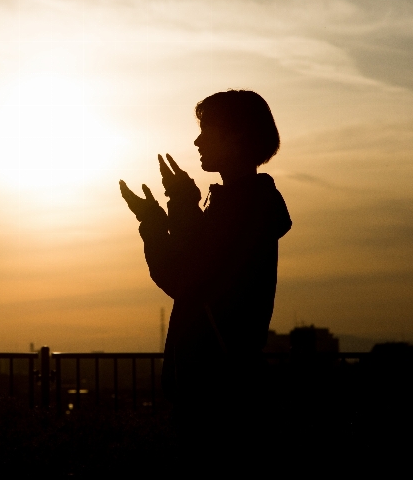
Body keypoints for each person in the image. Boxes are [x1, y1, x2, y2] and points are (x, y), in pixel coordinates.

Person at [119, 89, 291, 467]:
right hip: (224, 386)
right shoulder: (243, 205)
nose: (197, 140)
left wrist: (156, 218)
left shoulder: (243, 210)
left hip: (217, 393)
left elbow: (182, 277)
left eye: (207, 130)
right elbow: (197, 261)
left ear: (236, 135)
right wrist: (176, 204)